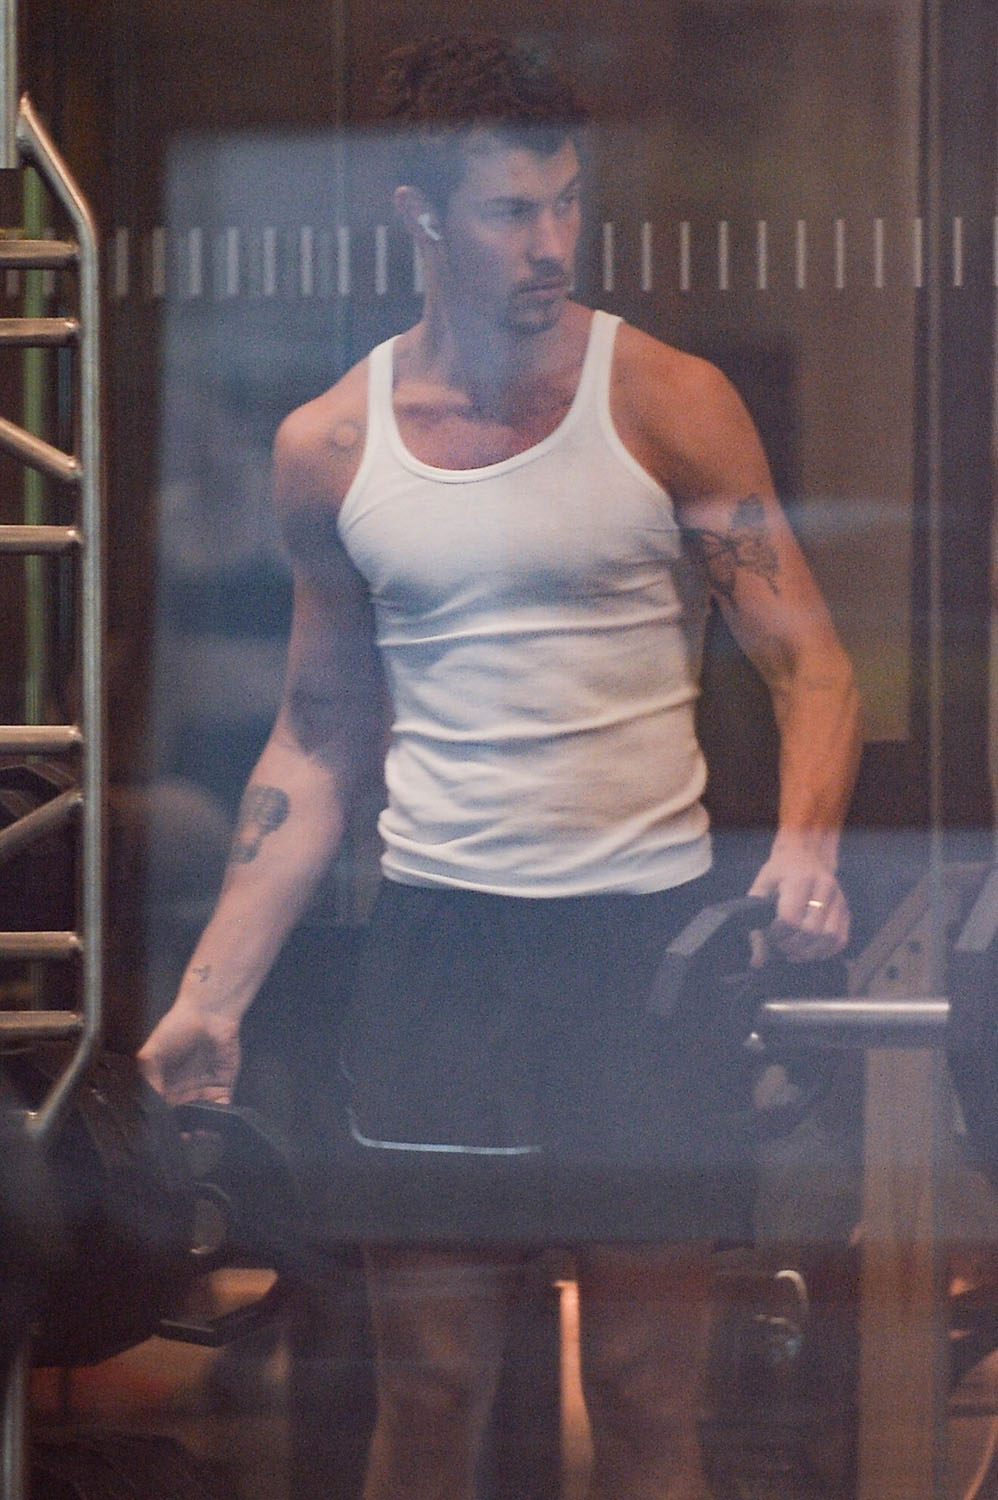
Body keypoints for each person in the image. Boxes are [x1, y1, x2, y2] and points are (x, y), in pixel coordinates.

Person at [139, 32, 862, 1500]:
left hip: (641, 947)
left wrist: (804, 847)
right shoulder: (329, 446)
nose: (550, 242)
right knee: (427, 1385)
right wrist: (212, 994)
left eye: (567, 202)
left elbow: (812, 666)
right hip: (441, 947)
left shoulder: (664, 398)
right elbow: (319, 735)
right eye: (510, 211)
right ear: (417, 214)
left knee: (646, 1391)